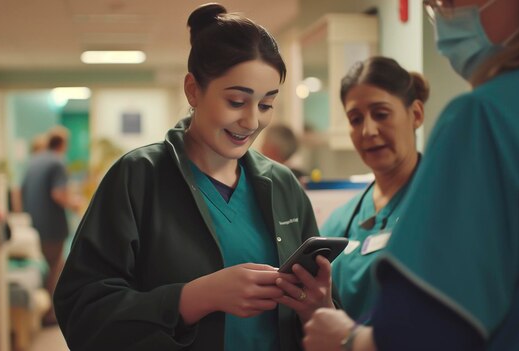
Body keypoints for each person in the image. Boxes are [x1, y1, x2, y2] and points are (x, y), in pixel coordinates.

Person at [54, 3, 335, 350]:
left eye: (266, 105)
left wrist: (319, 309)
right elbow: (82, 313)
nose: (251, 122)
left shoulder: (283, 185)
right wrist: (193, 298)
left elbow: (318, 323)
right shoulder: (138, 177)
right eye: (236, 101)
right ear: (193, 90)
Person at [303, 0, 519, 350]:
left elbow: (423, 332)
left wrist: (346, 340)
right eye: (355, 119)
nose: (440, 13)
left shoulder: (483, 119)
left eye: (450, 2)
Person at [320, 56, 427, 322]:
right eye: (356, 119)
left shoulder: (446, 203)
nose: (368, 130)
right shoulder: (339, 223)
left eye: (381, 114)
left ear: (415, 114)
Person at [21, 126, 79, 325]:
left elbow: (20, 190)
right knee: (55, 270)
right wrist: (76, 204)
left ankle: (42, 312)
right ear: (62, 144)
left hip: (34, 225)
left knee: (46, 268)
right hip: (52, 227)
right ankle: (50, 314)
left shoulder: (34, 160)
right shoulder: (58, 162)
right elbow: (58, 194)